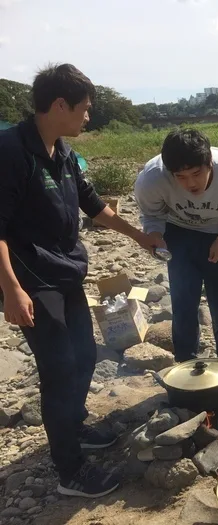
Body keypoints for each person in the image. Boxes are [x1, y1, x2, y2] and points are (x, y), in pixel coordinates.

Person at [0, 64, 159, 498]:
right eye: (85, 109)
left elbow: (91, 203)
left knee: (86, 355)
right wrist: (11, 290)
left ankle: (72, 425)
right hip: (32, 281)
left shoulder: (61, 150)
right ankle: (70, 471)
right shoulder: (12, 151)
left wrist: (140, 236)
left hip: (65, 270)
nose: (88, 117)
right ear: (59, 105)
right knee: (59, 369)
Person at [134, 129, 218, 365]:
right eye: (180, 177)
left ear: (209, 162)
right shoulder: (151, 179)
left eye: (196, 173)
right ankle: (185, 362)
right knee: (183, 303)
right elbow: (152, 213)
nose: (190, 183)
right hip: (179, 233)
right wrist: (156, 235)